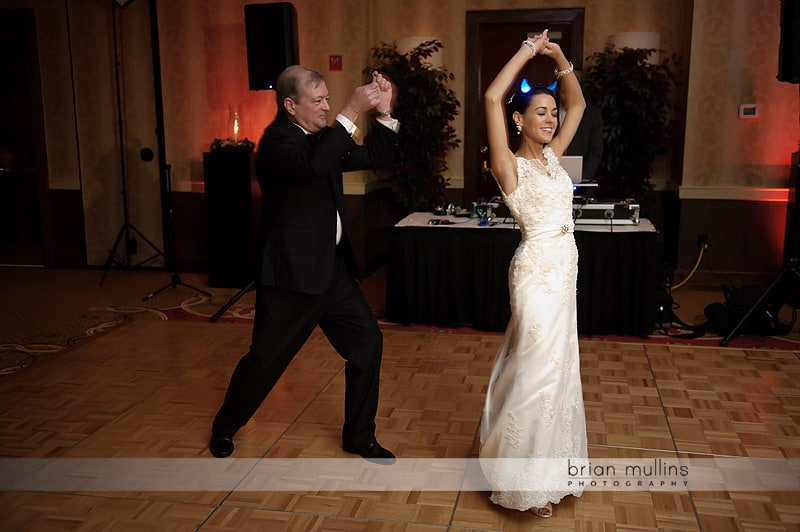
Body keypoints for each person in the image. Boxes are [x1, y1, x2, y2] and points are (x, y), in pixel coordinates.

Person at [209, 66, 399, 464]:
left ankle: (359, 436)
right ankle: (226, 426)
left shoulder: (324, 139)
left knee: (367, 343)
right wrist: (350, 109)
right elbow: (313, 165)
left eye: (330, 98)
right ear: (290, 105)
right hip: (291, 278)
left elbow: (377, 155)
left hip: (332, 273)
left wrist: (383, 112)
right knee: (265, 360)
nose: (327, 106)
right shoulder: (276, 143)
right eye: (319, 100)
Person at [478, 30, 589, 517]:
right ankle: (520, 478)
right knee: (533, 370)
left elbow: (579, 103)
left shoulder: (552, 155)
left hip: (564, 272)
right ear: (519, 120)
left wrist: (559, 56)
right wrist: (527, 50)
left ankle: (546, 469)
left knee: (558, 369)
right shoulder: (509, 165)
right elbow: (490, 96)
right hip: (535, 274)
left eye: (553, 112)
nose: (552, 119)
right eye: (540, 113)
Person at [557, 71, 603, 181]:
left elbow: (596, 153)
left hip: (580, 182)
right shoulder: (548, 111)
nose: (568, 97)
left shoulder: (592, 114)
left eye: (572, 92)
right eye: (564, 92)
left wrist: (581, 178)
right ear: (558, 90)